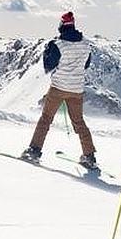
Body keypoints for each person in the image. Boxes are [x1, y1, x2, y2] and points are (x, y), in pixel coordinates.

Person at [21, 11, 98, 171]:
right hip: (76, 90)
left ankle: (34, 151)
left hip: (58, 88)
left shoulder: (57, 44)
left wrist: (46, 52)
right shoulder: (86, 45)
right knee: (79, 122)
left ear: (62, 25)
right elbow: (86, 65)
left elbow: (48, 66)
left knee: (46, 119)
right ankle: (89, 157)